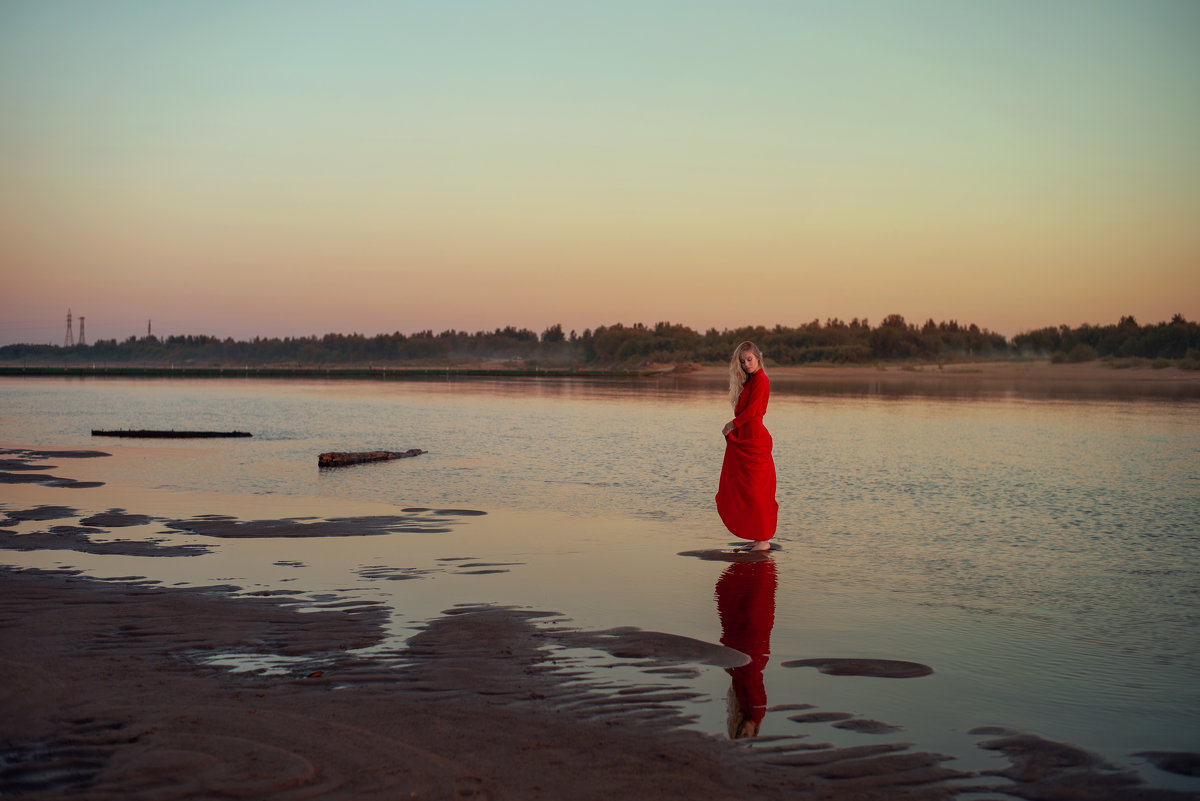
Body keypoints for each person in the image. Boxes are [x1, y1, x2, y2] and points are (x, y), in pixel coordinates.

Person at [715, 341, 778, 551]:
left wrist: (731, 425)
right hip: (746, 437)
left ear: (758, 358)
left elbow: (751, 413)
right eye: (742, 361)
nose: (746, 364)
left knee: (758, 492)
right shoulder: (750, 382)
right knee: (746, 489)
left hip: (755, 439)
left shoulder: (762, 380)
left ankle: (764, 540)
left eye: (749, 359)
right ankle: (757, 536)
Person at [716, 557, 777, 738]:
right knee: (750, 612)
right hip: (752, 658)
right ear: (754, 732)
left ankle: (756, 569)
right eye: (747, 734)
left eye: (740, 732)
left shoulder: (748, 711)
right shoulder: (756, 713)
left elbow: (748, 682)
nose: (745, 730)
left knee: (749, 611)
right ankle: (757, 569)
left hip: (753, 658)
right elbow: (750, 682)